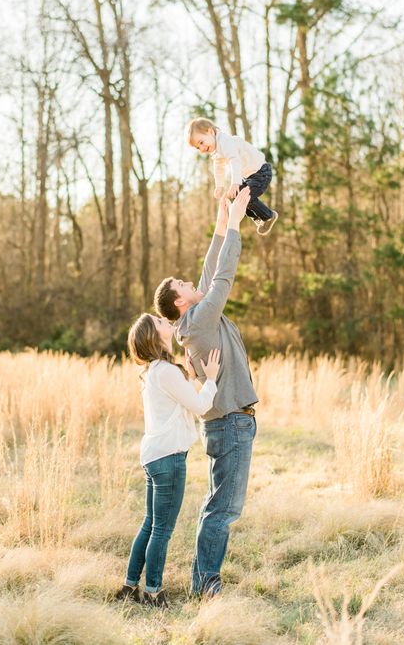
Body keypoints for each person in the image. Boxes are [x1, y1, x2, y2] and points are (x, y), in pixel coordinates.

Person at [154, 187, 257, 597]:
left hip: (232, 420)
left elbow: (211, 263)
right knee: (223, 510)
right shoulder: (197, 321)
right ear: (180, 301)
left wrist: (221, 214)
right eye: (183, 283)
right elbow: (223, 275)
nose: (189, 280)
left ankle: (203, 579)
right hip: (230, 422)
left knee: (220, 507)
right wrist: (237, 218)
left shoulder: (194, 316)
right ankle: (206, 584)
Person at [116, 312, 221, 608]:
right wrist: (210, 380)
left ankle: (129, 586)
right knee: (161, 529)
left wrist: (187, 374)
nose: (167, 322)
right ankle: (153, 592)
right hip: (169, 458)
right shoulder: (166, 372)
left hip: (153, 456)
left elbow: (176, 402)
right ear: (154, 336)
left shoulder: (154, 371)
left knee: (150, 524)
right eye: (160, 322)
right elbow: (200, 406)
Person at [185, 116, 278, 236]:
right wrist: (219, 185)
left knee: (245, 196)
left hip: (261, 172)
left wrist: (235, 183)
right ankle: (257, 217)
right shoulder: (216, 150)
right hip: (251, 176)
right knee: (238, 197)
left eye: (201, 142)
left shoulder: (225, 142)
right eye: (198, 148)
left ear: (211, 132)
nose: (202, 149)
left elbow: (235, 161)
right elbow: (218, 167)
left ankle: (268, 216)